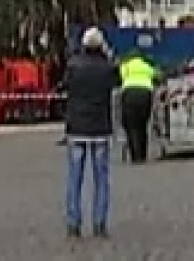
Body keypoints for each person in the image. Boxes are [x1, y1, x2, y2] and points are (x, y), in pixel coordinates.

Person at [61, 27, 120, 239]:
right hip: (100, 127)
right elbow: (117, 81)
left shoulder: (73, 66)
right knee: (101, 178)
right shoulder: (107, 68)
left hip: (77, 127)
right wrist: (109, 55)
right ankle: (99, 223)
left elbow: (64, 86)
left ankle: (73, 222)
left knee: (74, 178)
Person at [117, 51, 156, 164]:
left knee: (131, 126)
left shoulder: (126, 67)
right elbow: (155, 75)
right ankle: (143, 154)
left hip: (130, 94)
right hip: (145, 94)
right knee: (142, 125)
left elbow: (120, 77)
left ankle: (135, 155)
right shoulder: (146, 66)